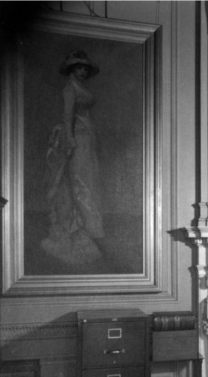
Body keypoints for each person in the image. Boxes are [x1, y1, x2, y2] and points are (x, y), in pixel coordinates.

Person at [41, 50, 106, 265]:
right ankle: (83, 227)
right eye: (80, 67)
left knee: (89, 179)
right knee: (79, 181)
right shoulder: (70, 88)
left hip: (88, 137)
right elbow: (67, 116)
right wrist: (70, 140)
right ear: (72, 68)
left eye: (86, 68)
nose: (83, 71)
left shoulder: (81, 87)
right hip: (77, 137)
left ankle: (92, 228)